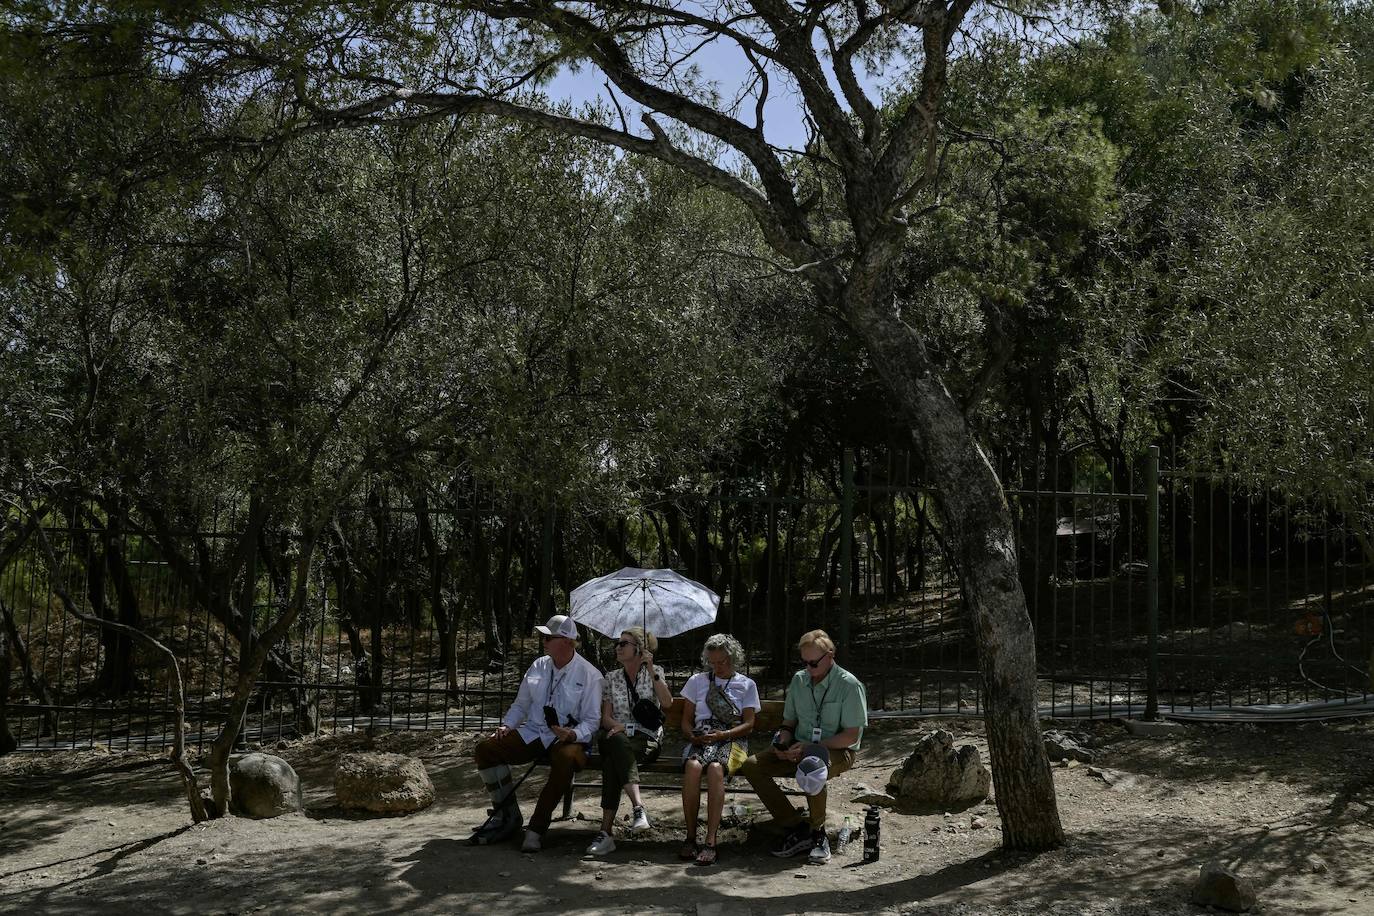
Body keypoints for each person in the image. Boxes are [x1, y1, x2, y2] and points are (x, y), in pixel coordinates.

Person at [470, 614, 603, 852]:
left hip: (568, 738)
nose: (543, 642)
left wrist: (572, 734)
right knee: (486, 749)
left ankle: (536, 829)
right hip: (534, 732)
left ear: (565, 641)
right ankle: (507, 816)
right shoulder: (538, 665)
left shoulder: (590, 675)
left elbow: (592, 721)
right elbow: (521, 705)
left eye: (547, 637)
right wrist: (507, 725)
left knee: (566, 757)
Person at [740, 628, 868, 865]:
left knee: (813, 766)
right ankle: (797, 828)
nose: (808, 669)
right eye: (805, 663)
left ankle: (819, 835)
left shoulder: (849, 685)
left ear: (830, 656)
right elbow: (788, 723)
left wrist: (811, 746)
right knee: (752, 766)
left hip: (836, 750)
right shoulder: (800, 680)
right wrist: (782, 743)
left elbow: (851, 736)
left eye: (813, 663)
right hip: (798, 746)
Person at [585, 627, 673, 856]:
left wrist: (652, 668)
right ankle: (638, 808)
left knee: (613, 761)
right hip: (615, 735)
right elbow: (605, 718)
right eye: (618, 643)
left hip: (646, 739)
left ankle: (606, 833)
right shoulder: (612, 678)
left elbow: (667, 702)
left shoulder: (655, 672)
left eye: (624, 643)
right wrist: (621, 728)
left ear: (639, 649)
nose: (618, 647)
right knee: (616, 742)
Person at [677, 633, 759, 866]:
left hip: (732, 738)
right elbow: (686, 720)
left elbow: (749, 724)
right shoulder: (696, 681)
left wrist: (723, 735)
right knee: (692, 766)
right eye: (713, 662)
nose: (718, 667)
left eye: (722, 662)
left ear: (733, 659)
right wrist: (692, 735)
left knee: (715, 769)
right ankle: (691, 837)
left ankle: (711, 841)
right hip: (703, 736)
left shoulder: (747, 685)